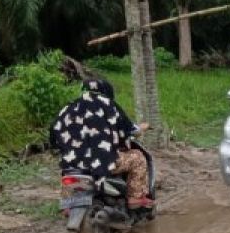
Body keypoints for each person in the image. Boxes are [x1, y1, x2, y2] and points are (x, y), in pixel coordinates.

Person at [50, 79, 153, 208]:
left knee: (68, 173)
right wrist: (143, 127)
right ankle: (135, 197)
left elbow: (54, 138)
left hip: (73, 164)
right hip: (102, 163)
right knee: (138, 158)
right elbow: (130, 130)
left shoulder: (66, 108)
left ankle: (68, 205)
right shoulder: (109, 105)